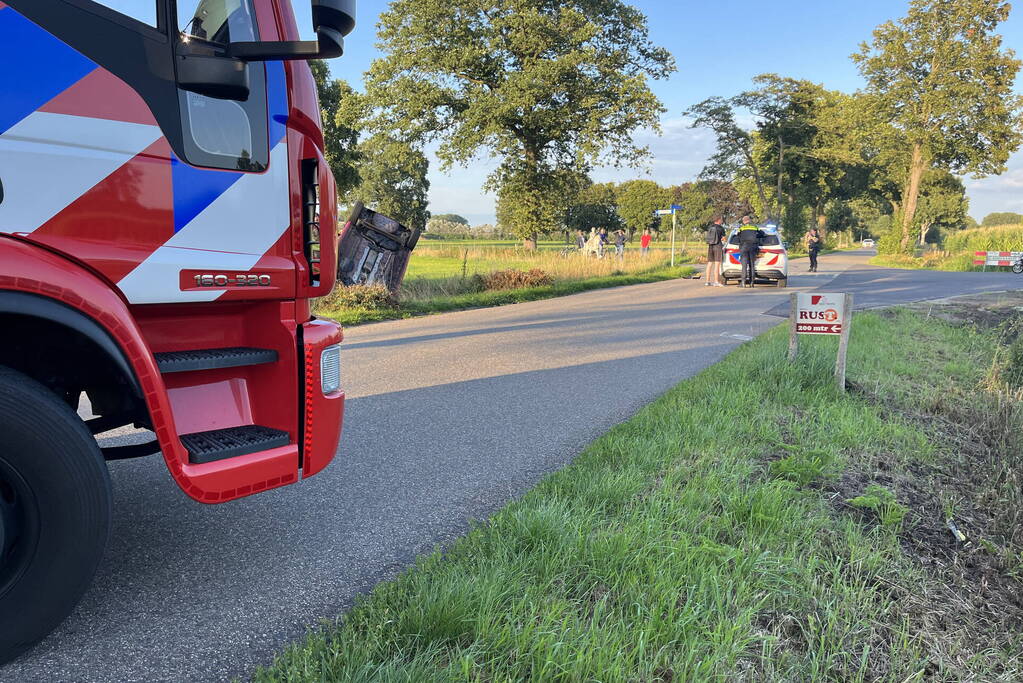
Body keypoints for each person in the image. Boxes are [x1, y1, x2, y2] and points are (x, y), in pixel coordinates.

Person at [736, 215, 763, 288]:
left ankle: (743, 283)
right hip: (753, 247)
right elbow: (762, 234)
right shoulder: (755, 227)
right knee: (752, 265)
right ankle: (752, 283)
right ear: (749, 220)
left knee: (744, 266)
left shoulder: (741, 228)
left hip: (744, 247)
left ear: (744, 221)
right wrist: (756, 236)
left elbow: (737, 237)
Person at [704, 216, 726, 287]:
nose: (722, 221)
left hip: (710, 246)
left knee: (709, 264)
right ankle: (716, 281)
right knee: (717, 265)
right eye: (721, 220)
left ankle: (707, 281)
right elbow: (724, 239)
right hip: (718, 246)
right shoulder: (721, 228)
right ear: (719, 220)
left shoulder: (710, 227)